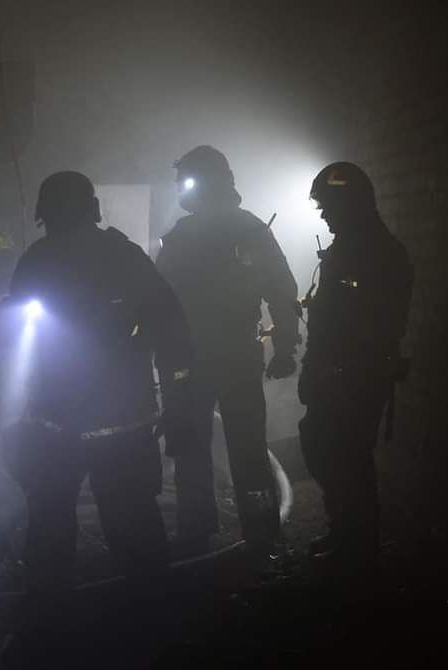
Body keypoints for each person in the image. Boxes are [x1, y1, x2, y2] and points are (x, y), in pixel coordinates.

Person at [0, 171, 195, 597]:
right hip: (116, 420)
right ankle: (153, 614)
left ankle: (49, 616)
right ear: (93, 209)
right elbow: (171, 329)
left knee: (50, 527)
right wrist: (178, 399)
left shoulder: (37, 259)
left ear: (45, 215)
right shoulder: (122, 256)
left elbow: (12, 335)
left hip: (59, 423)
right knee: (132, 528)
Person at [155, 145, 301, 559]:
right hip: (232, 357)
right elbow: (282, 290)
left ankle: (198, 531)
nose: (181, 190)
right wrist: (284, 347)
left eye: (185, 181)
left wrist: (156, 351)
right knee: (244, 447)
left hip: (191, 362)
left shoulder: (187, 235)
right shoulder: (248, 229)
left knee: (194, 446)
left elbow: (157, 299)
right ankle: (261, 532)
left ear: (203, 183)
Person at [299, 161, 413, 568]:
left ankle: (358, 544)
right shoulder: (348, 250)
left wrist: (338, 367)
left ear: (349, 204)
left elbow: (377, 323)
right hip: (336, 373)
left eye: (328, 207)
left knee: (348, 455)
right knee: (324, 445)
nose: (324, 216)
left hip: (357, 376)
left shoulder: (379, 253)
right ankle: (345, 531)